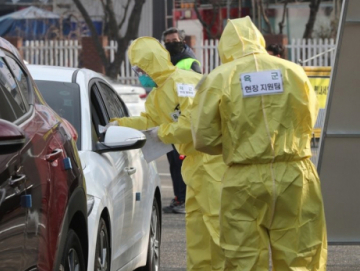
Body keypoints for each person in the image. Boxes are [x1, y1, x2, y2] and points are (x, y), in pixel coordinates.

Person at [192, 16, 327, 271]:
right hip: (295, 174)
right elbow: (310, 116)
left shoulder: (218, 78)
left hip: (243, 179)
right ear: (259, 39)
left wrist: (238, 145)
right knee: (301, 254)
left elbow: (204, 138)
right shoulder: (293, 71)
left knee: (243, 257)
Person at [108, 36, 227, 271]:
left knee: (218, 227)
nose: (140, 74)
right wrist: (120, 124)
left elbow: (193, 123)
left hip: (213, 163)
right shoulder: (158, 94)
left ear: (153, 63)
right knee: (197, 230)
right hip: (195, 166)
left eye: (141, 68)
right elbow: (149, 121)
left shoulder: (185, 82)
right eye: (136, 69)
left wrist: (161, 133)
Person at [161, 27, 203, 214]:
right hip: (170, 119)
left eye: (174, 40)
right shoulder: (166, 62)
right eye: (168, 41)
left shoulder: (189, 62)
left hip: (183, 121)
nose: (171, 44)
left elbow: (197, 91)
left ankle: (185, 199)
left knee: (181, 162)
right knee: (173, 162)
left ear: (183, 41)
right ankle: (179, 198)